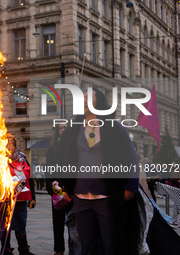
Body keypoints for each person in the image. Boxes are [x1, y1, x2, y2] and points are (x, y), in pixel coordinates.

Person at [56, 88, 141, 255]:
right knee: (87, 247)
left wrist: (131, 188)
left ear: (99, 101)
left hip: (107, 197)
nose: (84, 100)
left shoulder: (115, 129)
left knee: (112, 246)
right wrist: (66, 186)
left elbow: (132, 159)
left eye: (88, 97)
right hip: (81, 198)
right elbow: (63, 158)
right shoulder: (73, 130)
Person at [2, 137, 36, 255]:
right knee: (5, 225)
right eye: (7, 145)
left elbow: (29, 179)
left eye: (12, 144)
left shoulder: (23, 159)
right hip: (6, 199)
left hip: (21, 198)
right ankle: (6, 249)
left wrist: (33, 198)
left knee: (21, 224)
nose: (10, 147)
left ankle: (24, 249)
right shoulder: (0, 159)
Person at [46, 123, 71, 255]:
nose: (62, 130)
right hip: (58, 192)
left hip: (72, 192)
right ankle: (59, 249)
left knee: (74, 223)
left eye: (65, 128)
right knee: (58, 222)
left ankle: (75, 248)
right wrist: (57, 190)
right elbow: (49, 172)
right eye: (60, 128)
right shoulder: (52, 149)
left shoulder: (74, 147)